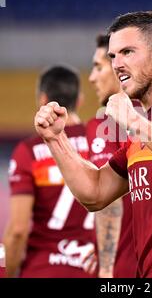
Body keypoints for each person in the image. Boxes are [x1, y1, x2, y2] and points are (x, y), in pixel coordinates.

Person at [34, 10, 152, 277]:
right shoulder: (145, 130)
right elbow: (95, 193)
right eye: (113, 56)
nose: (117, 64)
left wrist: (135, 122)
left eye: (128, 52)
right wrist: (56, 139)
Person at [4, 66, 97, 278]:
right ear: (80, 100)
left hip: (42, 269)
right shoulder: (100, 144)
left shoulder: (28, 151)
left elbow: (17, 231)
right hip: (92, 270)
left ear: (42, 99)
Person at [85, 34, 137, 278]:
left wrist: (106, 270)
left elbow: (109, 201)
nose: (91, 77)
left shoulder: (107, 120)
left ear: (118, 69)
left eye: (98, 67)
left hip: (123, 269)